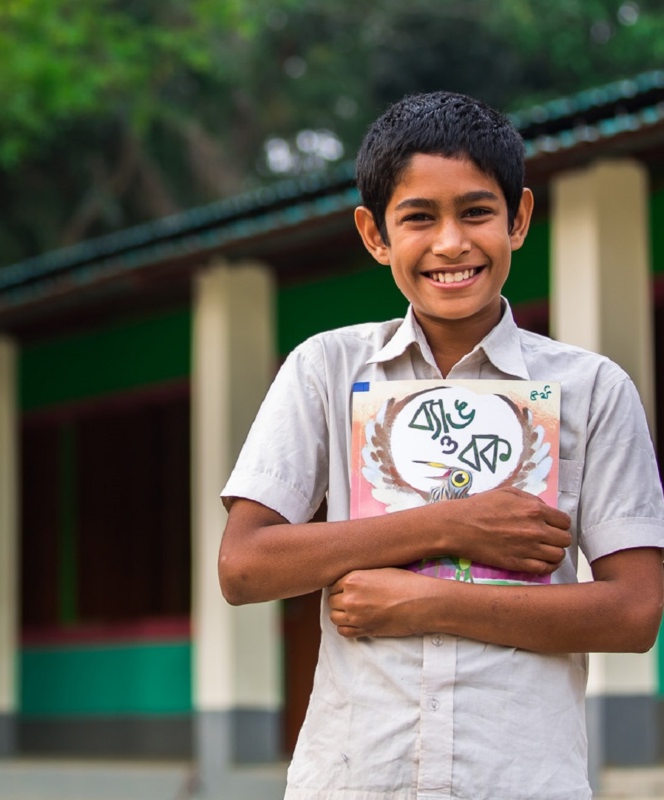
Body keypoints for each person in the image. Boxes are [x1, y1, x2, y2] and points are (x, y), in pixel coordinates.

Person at [218, 91, 664, 800]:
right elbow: (244, 568)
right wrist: (452, 523)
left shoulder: (593, 389)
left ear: (518, 218)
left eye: (477, 212)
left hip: (520, 779)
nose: (451, 243)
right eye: (418, 218)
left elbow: (635, 612)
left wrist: (423, 603)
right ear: (375, 234)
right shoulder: (327, 370)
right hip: (358, 777)